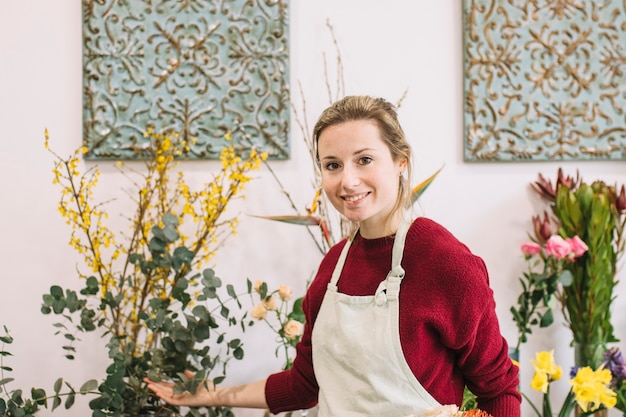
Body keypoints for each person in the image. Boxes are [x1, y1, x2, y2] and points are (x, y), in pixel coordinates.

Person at [145, 95, 521, 416]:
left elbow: (499, 390)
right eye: (333, 165)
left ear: (400, 161)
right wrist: (208, 396)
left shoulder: (444, 262)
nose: (348, 181)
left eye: (364, 160)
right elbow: (304, 384)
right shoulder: (334, 266)